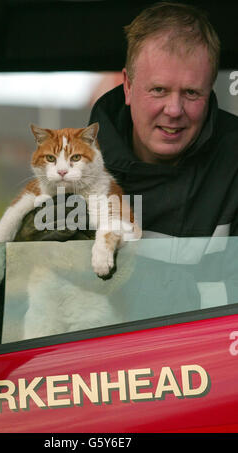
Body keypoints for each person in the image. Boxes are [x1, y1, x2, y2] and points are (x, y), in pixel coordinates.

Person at [88, 1, 238, 314]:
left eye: (191, 93)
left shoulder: (233, 164)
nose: (174, 110)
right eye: (158, 90)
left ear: (210, 92)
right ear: (128, 87)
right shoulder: (74, 173)